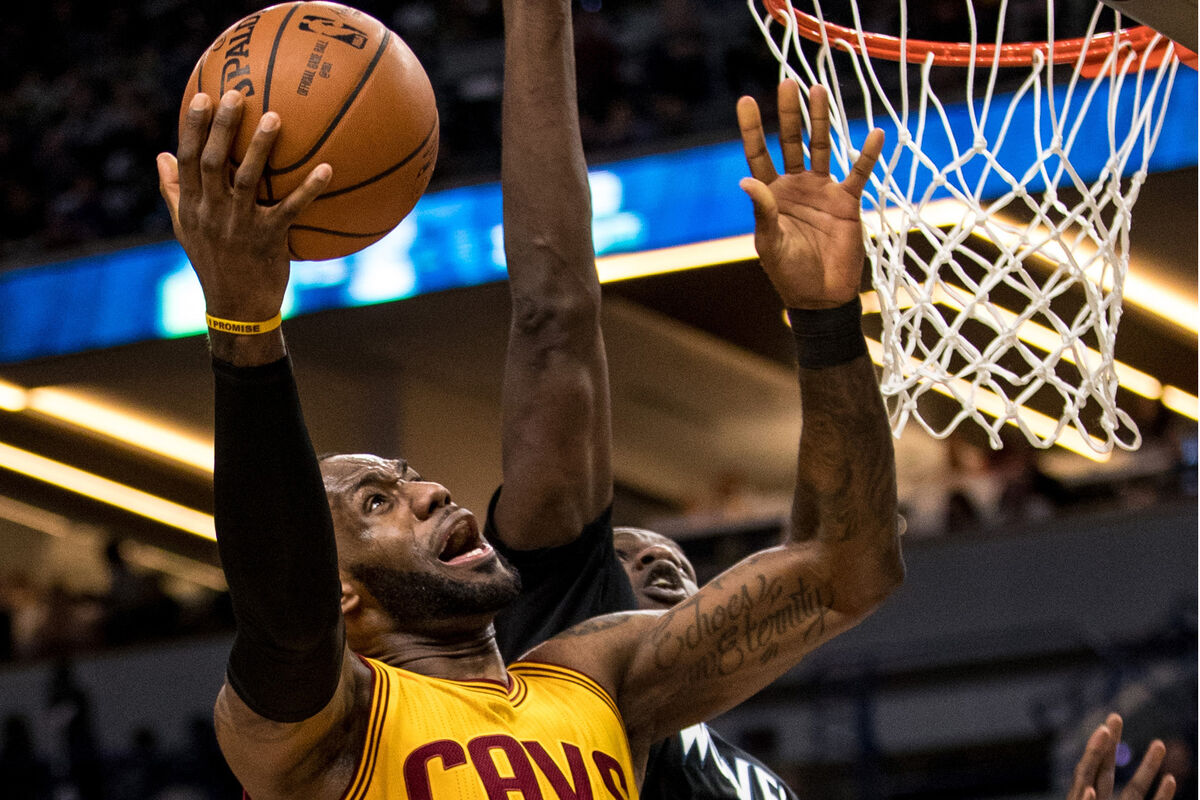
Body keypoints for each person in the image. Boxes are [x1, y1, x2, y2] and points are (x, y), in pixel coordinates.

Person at [155, 0, 899, 793]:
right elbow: (285, 611)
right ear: (338, 591)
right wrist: (245, 323)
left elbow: (844, 569)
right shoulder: (327, 733)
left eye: (410, 478)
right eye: (377, 502)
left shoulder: (597, 676)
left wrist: (824, 319)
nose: (431, 492)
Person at [481, 5, 891, 800]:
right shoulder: (562, 636)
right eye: (621, 556)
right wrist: (537, 20)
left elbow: (846, 556)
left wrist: (827, 318)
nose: (658, 556)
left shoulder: (754, 779)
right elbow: (553, 317)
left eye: (671, 557)